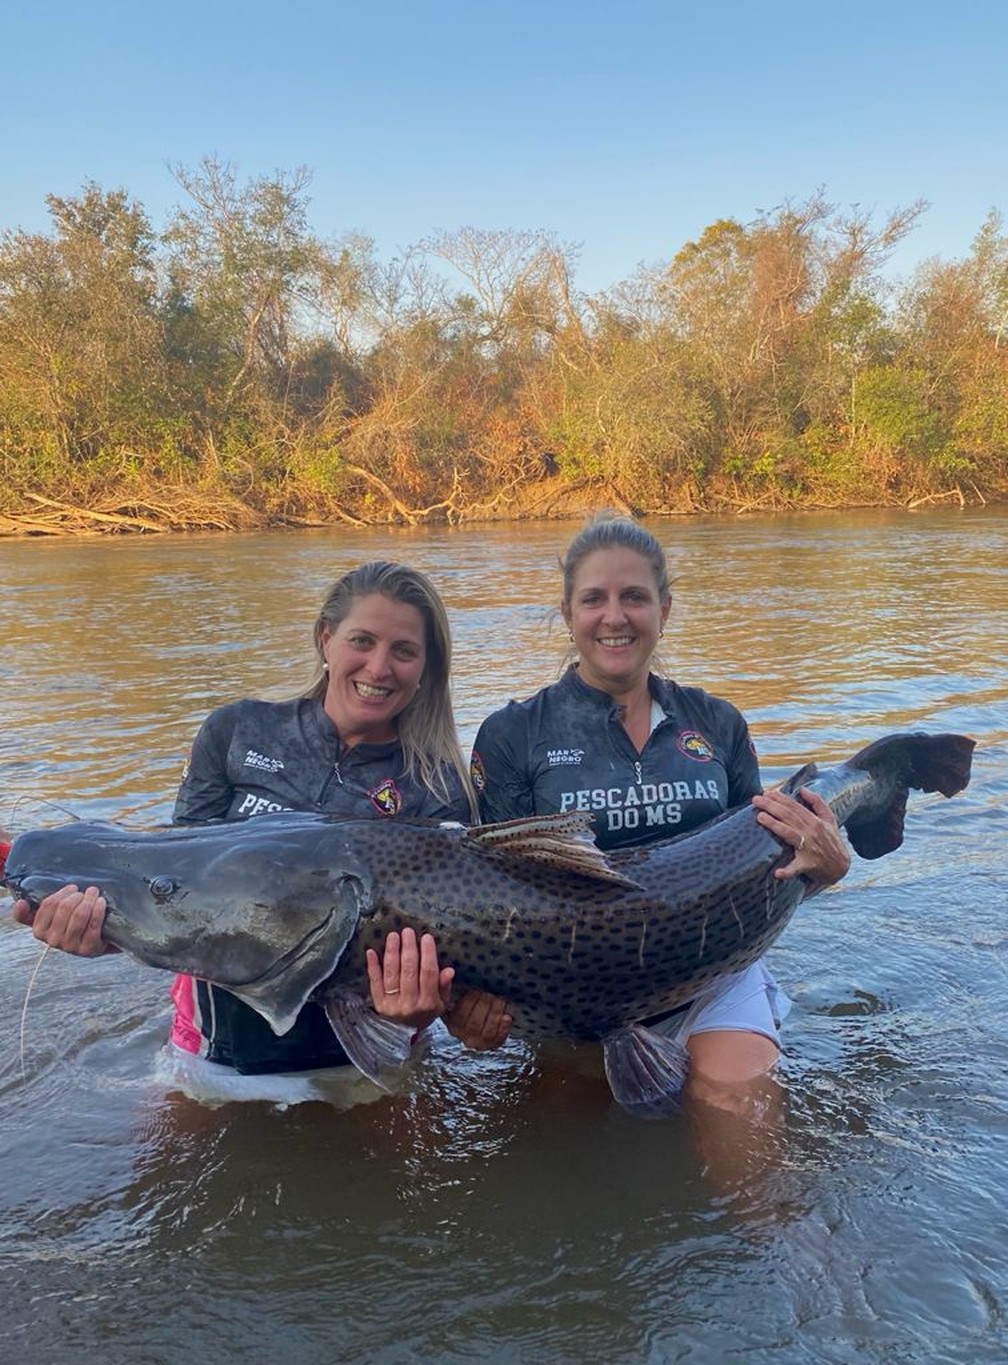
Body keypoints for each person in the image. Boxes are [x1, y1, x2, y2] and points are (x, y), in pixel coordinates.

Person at [11, 560, 476, 1086]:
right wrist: (107, 930)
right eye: (362, 641)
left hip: (367, 1067)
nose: (379, 667)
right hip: (210, 1053)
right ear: (327, 639)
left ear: (425, 668)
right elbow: (176, 883)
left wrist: (420, 1009)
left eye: (404, 651)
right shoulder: (236, 731)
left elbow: (453, 958)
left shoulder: (439, 787)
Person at [453, 513, 851, 1105]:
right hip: (569, 1002)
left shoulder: (718, 722)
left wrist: (827, 868)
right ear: (568, 614)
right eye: (594, 599)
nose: (615, 617)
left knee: (745, 1139)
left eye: (634, 597)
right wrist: (466, 1010)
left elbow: (762, 871)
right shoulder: (513, 734)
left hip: (714, 982)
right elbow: (490, 902)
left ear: (664, 610)